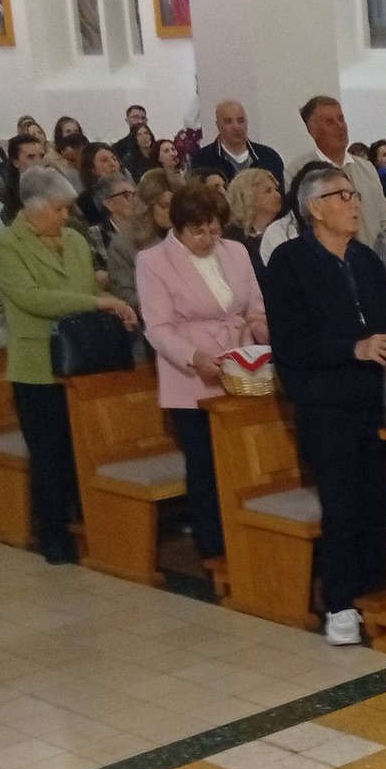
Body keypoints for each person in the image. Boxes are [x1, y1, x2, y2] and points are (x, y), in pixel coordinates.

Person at [264, 163, 386, 644]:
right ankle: (339, 604)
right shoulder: (289, 262)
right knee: (342, 504)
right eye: (342, 196)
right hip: (326, 404)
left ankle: (377, 591)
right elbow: (292, 342)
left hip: (378, 398)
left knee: (381, 499)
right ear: (315, 208)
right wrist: (354, 348)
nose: (354, 203)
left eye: (354, 195)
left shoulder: (363, 258)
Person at [0, 166, 139, 564]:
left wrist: (109, 308)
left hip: (80, 360)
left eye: (67, 208)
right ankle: (54, 535)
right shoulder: (7, 243)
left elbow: (87, 287)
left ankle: (89, 526)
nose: (65, 216)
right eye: (58, 209)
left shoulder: (74, 239)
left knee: (83, 450)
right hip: (37, 362)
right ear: (33, 207)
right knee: (48, 453)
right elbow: (31, 297)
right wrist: (98, 302)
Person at [139, 182, 266, 567]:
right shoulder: (153, 261)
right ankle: (214, 548)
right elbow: (157, 328)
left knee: (243, 458)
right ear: (177, 227)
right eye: (198, 231)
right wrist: (194, 357)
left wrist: (264, 335)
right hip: (191, 375)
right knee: (205, 463)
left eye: (214, 230)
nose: (209, 239)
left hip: (241, 365)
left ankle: (250, 539)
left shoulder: (236, 250)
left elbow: (255, 308)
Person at [291, 94, 386, 247]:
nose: (340, 126)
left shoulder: (366, 168)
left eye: (341, 119)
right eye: (330, 122)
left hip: (373, 255)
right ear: (312, 130)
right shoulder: (298, 172)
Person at [107, 170, 179, 315]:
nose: (172, 212)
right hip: (155, 318)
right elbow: (126, 296)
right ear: (147, 207)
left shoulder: (193, 236)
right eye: (164, 206)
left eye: (176, 206)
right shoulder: (123, 245)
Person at [226, 168, 283, 279]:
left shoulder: (284, 228)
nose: (277, 195)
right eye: (268, 191)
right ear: (248, 197)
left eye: (276, 189)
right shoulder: (233, 238)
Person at [0, 134, 48, 227]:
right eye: (31, 157)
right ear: (15, 162)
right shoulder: (3, 195)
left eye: (41, 156)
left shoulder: (53, 189)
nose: (38, 162)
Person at [77, 142, 125, 227]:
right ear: (92, 170)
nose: (112, 164)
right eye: (104, 160)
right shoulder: (86, 200)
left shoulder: (130, 189)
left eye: (114, 159)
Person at [46, 118, 88, 189]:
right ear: (60, 135)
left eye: (76, 131)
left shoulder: (86, 154)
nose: (72, 134)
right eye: (68, 131)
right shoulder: (51, 159)